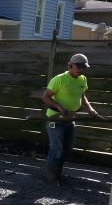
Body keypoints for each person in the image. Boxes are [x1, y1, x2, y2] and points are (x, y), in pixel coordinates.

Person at [42, 53, 101, 183]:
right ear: (70, 65)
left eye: (83, 67)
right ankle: (51, 179)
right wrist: (60, 107)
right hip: (55, 120)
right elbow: (45, 97)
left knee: (66, 150)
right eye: (78, 67)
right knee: (57, 150)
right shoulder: (59, 79)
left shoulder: (83, 79)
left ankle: (57, 175)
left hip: (70, 120)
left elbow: (82, 96)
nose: (81, 69)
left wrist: (90, 109)